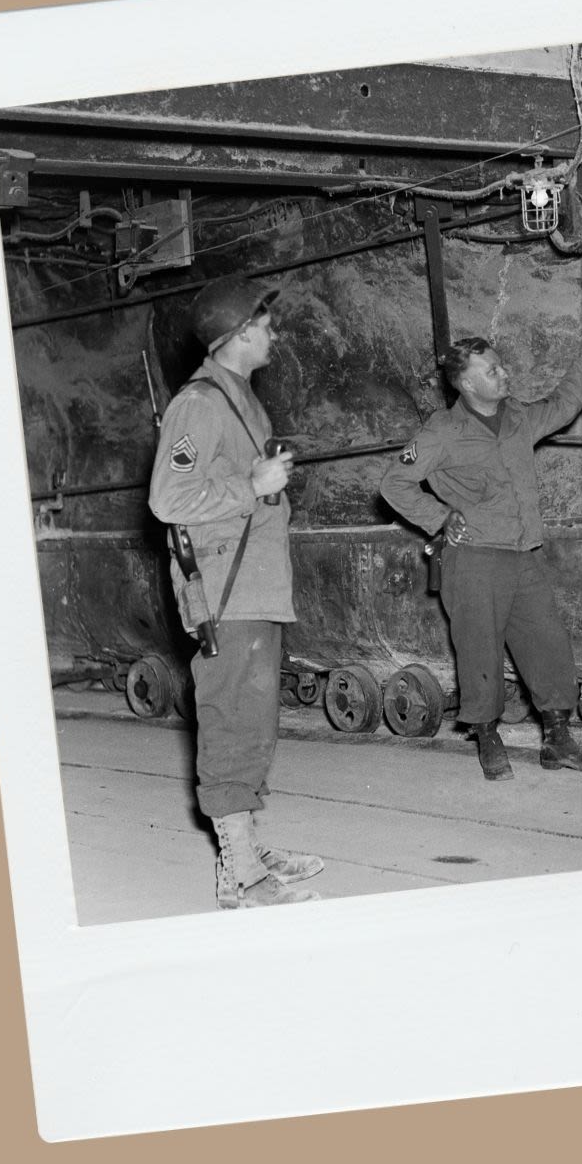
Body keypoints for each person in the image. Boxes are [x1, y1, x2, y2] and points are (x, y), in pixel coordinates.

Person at [149, 276, 323, 908]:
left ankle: (247, 844)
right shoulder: (198, 404)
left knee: (254, 722)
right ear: (238, 332)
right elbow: (168, 499)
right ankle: (239, 874)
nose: (273, 333)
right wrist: (251, 485)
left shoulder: (243, 397)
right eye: (266, 323)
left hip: (256, 583)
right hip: (224, 590)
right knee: (231, 723)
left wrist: (260, 481)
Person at [380, 336, 582, 780]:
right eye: (492, 371)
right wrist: (439, 517)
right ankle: (488, 738)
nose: (505, 374)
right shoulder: (442, 432)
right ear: (466, 383)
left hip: (523, 553)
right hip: (474, 559)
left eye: (502, 366)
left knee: (548, 643)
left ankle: (558, 739)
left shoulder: (519, 417)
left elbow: (566, 401)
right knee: (479, 649)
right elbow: (394, 484)